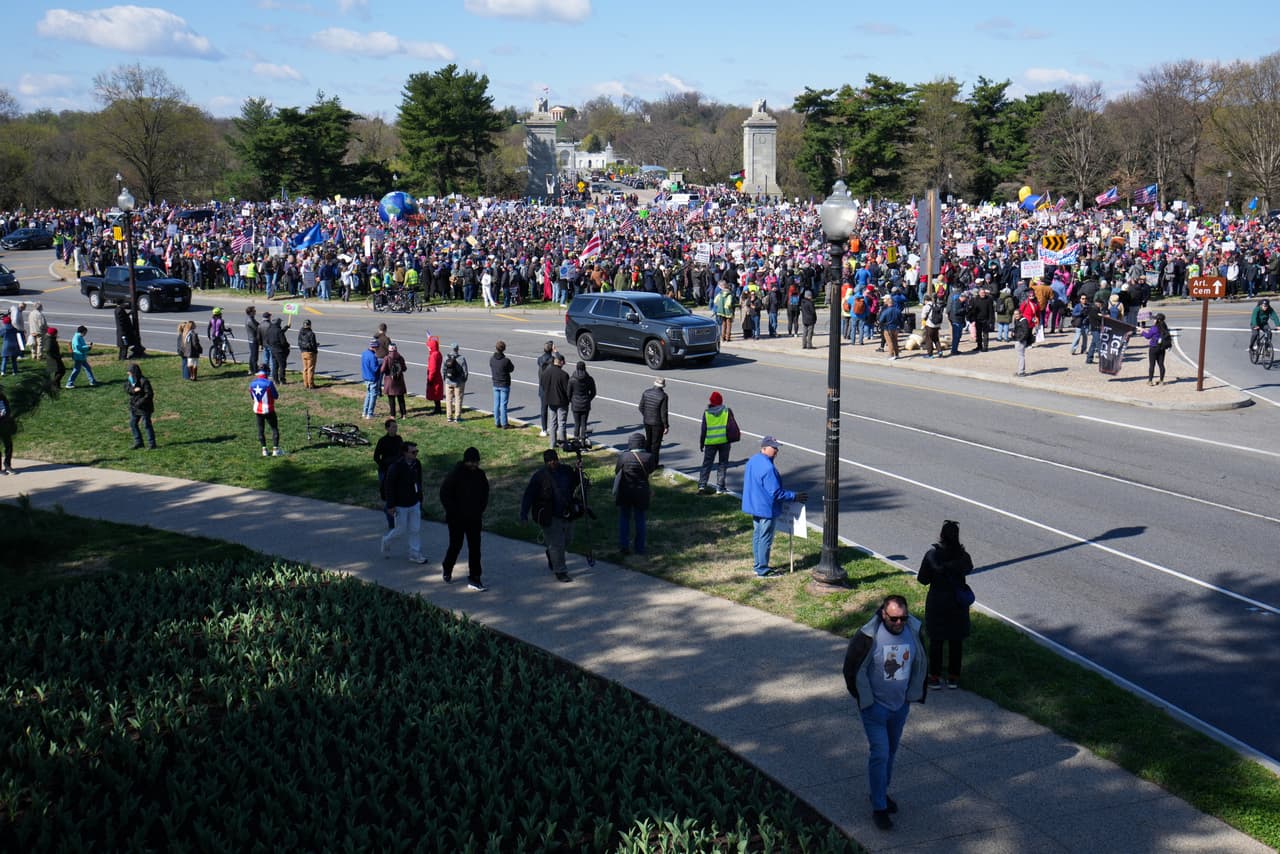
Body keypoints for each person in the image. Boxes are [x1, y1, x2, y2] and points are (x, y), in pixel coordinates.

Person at [842, 595, 929, 831]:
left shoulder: (913, 631)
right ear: (883, 614)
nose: (899, 623)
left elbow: (919, 662)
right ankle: (879, 807)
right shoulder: (868, 636)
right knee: (880, 753)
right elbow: (851, 669)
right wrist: (865, 700)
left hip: (900, 706)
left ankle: (879, 792)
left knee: (890, 753)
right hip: (875, 709)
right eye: (894, 619)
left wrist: (911, 695)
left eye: (903, 618)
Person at [917, 520, 973, 689]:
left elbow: (922, 579)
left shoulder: (932, 555)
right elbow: (969, 569)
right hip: (957, 603)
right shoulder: (963, 557)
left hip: (937, 602)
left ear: (941, 535)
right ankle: (953, 677)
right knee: (956, 640)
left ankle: (934, 676)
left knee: (936, 640)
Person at [741, 435, 806, 578]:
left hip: (755, 505)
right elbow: (776, 493)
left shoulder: (753, 460)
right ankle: (762, 570)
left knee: (758, 536)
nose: (776, 451)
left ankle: (757, 565)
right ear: (764, 448)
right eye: (774, 448)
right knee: (765, 538)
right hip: (766, 508)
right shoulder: (768, 468)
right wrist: (794, 496)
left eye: (777, 448)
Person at [520, 448, 582, 582]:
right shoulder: (539, 476)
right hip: (550, 515)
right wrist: (524, 514)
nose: (552, 462)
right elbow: (528, 496)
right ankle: (560, 571)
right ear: (545, 462)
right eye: (549, 461)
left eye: (554, 460)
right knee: (557, 544)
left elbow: (575, 482)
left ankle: (551, 554)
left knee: (567, 540)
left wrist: (578, 471)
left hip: (567, 512)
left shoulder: (566, 470)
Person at [439, 445, 490, 590]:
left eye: (476, 462)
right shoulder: (455, 474)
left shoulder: (480, 475)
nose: (474, 465)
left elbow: (485, 493)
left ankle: (475, 578)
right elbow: (444, 494)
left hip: (474, 518)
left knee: (475, 548)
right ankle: (447, 567)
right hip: (456, 519)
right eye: (471, 462)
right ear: (466, 461)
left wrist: (480, 509)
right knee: (456, 545)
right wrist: (453, 511)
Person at [380, 442, 428, 564]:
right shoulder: (395, 467)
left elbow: (418, 481)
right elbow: (389, 486)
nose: (416, 454)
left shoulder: (416, 464)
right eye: (413, 452)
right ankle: (386, 541)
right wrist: (390, 505)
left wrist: (419, 498)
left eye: (416, 451)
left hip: (414, 502)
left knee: (415, 529)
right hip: (400, 505)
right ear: (405, 453)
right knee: (400, 530)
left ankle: (414, 553)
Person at [615, 432, 657, 555]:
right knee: (640, 519)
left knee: (624, 518)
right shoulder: (649, 457)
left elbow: (617, 471)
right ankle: (640, 547)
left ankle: (624, 545)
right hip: (641, 491)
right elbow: (651, 470)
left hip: (625, 490)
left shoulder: (624, 456)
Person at [697, 391, 740, 494]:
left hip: (710, 442)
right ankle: (720, 487)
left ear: (711, 401)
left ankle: (702, 485)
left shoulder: (707, 413)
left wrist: (702, 443)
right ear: (721, 401)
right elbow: (731, 425)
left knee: (707, 464)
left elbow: (704, 429)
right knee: (722, 464)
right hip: (724, 441)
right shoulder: (727, 411)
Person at [373, 418, 404, 527]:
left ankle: (398, 520)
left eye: (396, 427)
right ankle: (391, 522)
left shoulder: (399, 439)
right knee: (388, 495)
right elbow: (376, 456)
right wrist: (383, 465)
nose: (395, 429)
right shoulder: (383, 441)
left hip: (397, 470)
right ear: (387, 428)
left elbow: (403, 452)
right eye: (393, 427)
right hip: (386, 471)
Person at [249, 368, 282, 457]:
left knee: (261, 430)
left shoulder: (252, 384)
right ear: (266, 373)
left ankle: (264, 450)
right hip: (269, 409)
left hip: (257, 409)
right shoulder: (269, 383)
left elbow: (252, 397)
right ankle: (275, 450)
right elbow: (276, 396)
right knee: (274, 429)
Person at [540, 352, 571, 447]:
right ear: (560, 362)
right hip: (562, 402)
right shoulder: (564, 375)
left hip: (550, 401)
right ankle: (563, 444)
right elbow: (568, 390)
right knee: (562, 423)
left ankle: (552, 443)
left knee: (552, 423)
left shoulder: (545, 373)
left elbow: (543, 385)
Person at [638, 377, 669, 466]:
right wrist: (666, 426)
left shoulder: (646, 392)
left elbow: (641, 407)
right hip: (657, 423)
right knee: (656, 444)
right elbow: (663, 412)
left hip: (647, 421)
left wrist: (646, 415)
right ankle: (654, 464)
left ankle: (646, 462)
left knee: (648, 441)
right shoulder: (663, 396)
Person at [1141, 312, 1173, 386]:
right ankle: (1161, 381)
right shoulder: (1164, 327)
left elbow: (1148, 336)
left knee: (1152, 365)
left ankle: (1150, 381)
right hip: (1161, 348)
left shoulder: (1154, 328)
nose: (1154, 320)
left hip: (1153, 347)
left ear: (1158, 320)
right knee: (1161, 364)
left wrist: (1142, 332)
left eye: (1155, 319)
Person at [568, 360, 596, 441]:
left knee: (577, 423)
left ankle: (576, 440)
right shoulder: (589, 379)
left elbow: (568, 393)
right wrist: (588, 399)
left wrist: (572, 401)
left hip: (575, 404)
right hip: (585, 404)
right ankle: (583, 440)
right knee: (584, 423)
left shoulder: (572, 379)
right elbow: (593, 392)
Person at [489, 339, 514, 428]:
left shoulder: (492, 359)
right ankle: (504, 423)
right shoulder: (505, 361)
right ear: (504, 349)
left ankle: (497, 422)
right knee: (503, 404)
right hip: (504, 384)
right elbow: (511, 369)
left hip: (495, 383)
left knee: (496, 404)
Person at [262, 312, 291, 384]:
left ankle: (275, 380)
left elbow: (267, 340)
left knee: (275, 365)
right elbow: (283, 342)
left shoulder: (269, 329)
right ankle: (282, 379)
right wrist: (287, 346)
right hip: (280, 351)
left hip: (273, 350)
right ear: (278, 323)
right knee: (282, 365)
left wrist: (286, 327)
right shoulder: (278, 331)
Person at [443, 342, 468, 423]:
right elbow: (465, 372)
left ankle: (449, 417)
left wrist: (445, 379)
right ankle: (457, 417)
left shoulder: (446, 357)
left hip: (448, 381)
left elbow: (443, 370)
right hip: (458, 382)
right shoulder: (461, 358)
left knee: (448, 399)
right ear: (458, 349)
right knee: (458, 399)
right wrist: (464, 380)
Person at [382, 343, 408, 419]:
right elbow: (404, 369)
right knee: (401, 398)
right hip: (399, 380)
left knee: (391, 399)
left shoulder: (387, 358)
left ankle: (393, 415)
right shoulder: (400, 357)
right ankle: (404, 414)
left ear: (389, 349)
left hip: (390, 381)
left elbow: (382, 370)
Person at [536, 339, 555, 436]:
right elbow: (561, 361)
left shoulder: (540, 359)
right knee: (553, 409)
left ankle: (544, 429)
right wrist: (556, 351)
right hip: (551, 388)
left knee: (543, 409)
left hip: (542, 388)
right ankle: (553, 427)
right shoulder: (553, 360)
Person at [360, 338, 382, 420]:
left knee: (368, 395)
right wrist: (380, 364)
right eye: (377, 347)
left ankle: (364, 412)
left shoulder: (364, 353)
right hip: (372, 378)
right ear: (374, 347)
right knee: (373, 396)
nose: (378, 349)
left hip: (366, 377)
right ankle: (370, 414)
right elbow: (375, 369)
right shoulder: (372, 356)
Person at [425, 336, 444, 415]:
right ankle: (438, 408)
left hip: (434, 378)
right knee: (437, 394)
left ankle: (437, 409)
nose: (428, 348)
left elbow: (433, 369)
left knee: (435, 393)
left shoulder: (433, 356)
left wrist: (430, 379)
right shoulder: (438, 353)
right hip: (438, 376)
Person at [297, 318, 319, 389]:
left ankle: (305, 383)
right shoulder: (311, 334)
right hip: (310, 353)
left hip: (303, 352)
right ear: (310, 325)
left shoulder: (301, 332)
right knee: (310, 369)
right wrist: (316, 348)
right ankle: (311, 384)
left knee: (305, 368)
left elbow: (299, 342)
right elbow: (313, 345)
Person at [0, 384, 15, 474]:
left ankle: (7, 465)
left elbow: (8, 409)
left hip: (4, 425)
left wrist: (6, 416)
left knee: (9, 445)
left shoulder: (2, 397)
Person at [244, 306, 261, 375]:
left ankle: (251, 369)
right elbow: (257, 328)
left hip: (252, 339)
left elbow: (258, 324)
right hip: (253, 339)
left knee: (253, 355)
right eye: (254, 311)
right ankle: (255, 370)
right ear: (250, 312)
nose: (255, 312)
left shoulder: (251, 318)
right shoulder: (250, 320)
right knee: (254, 355)